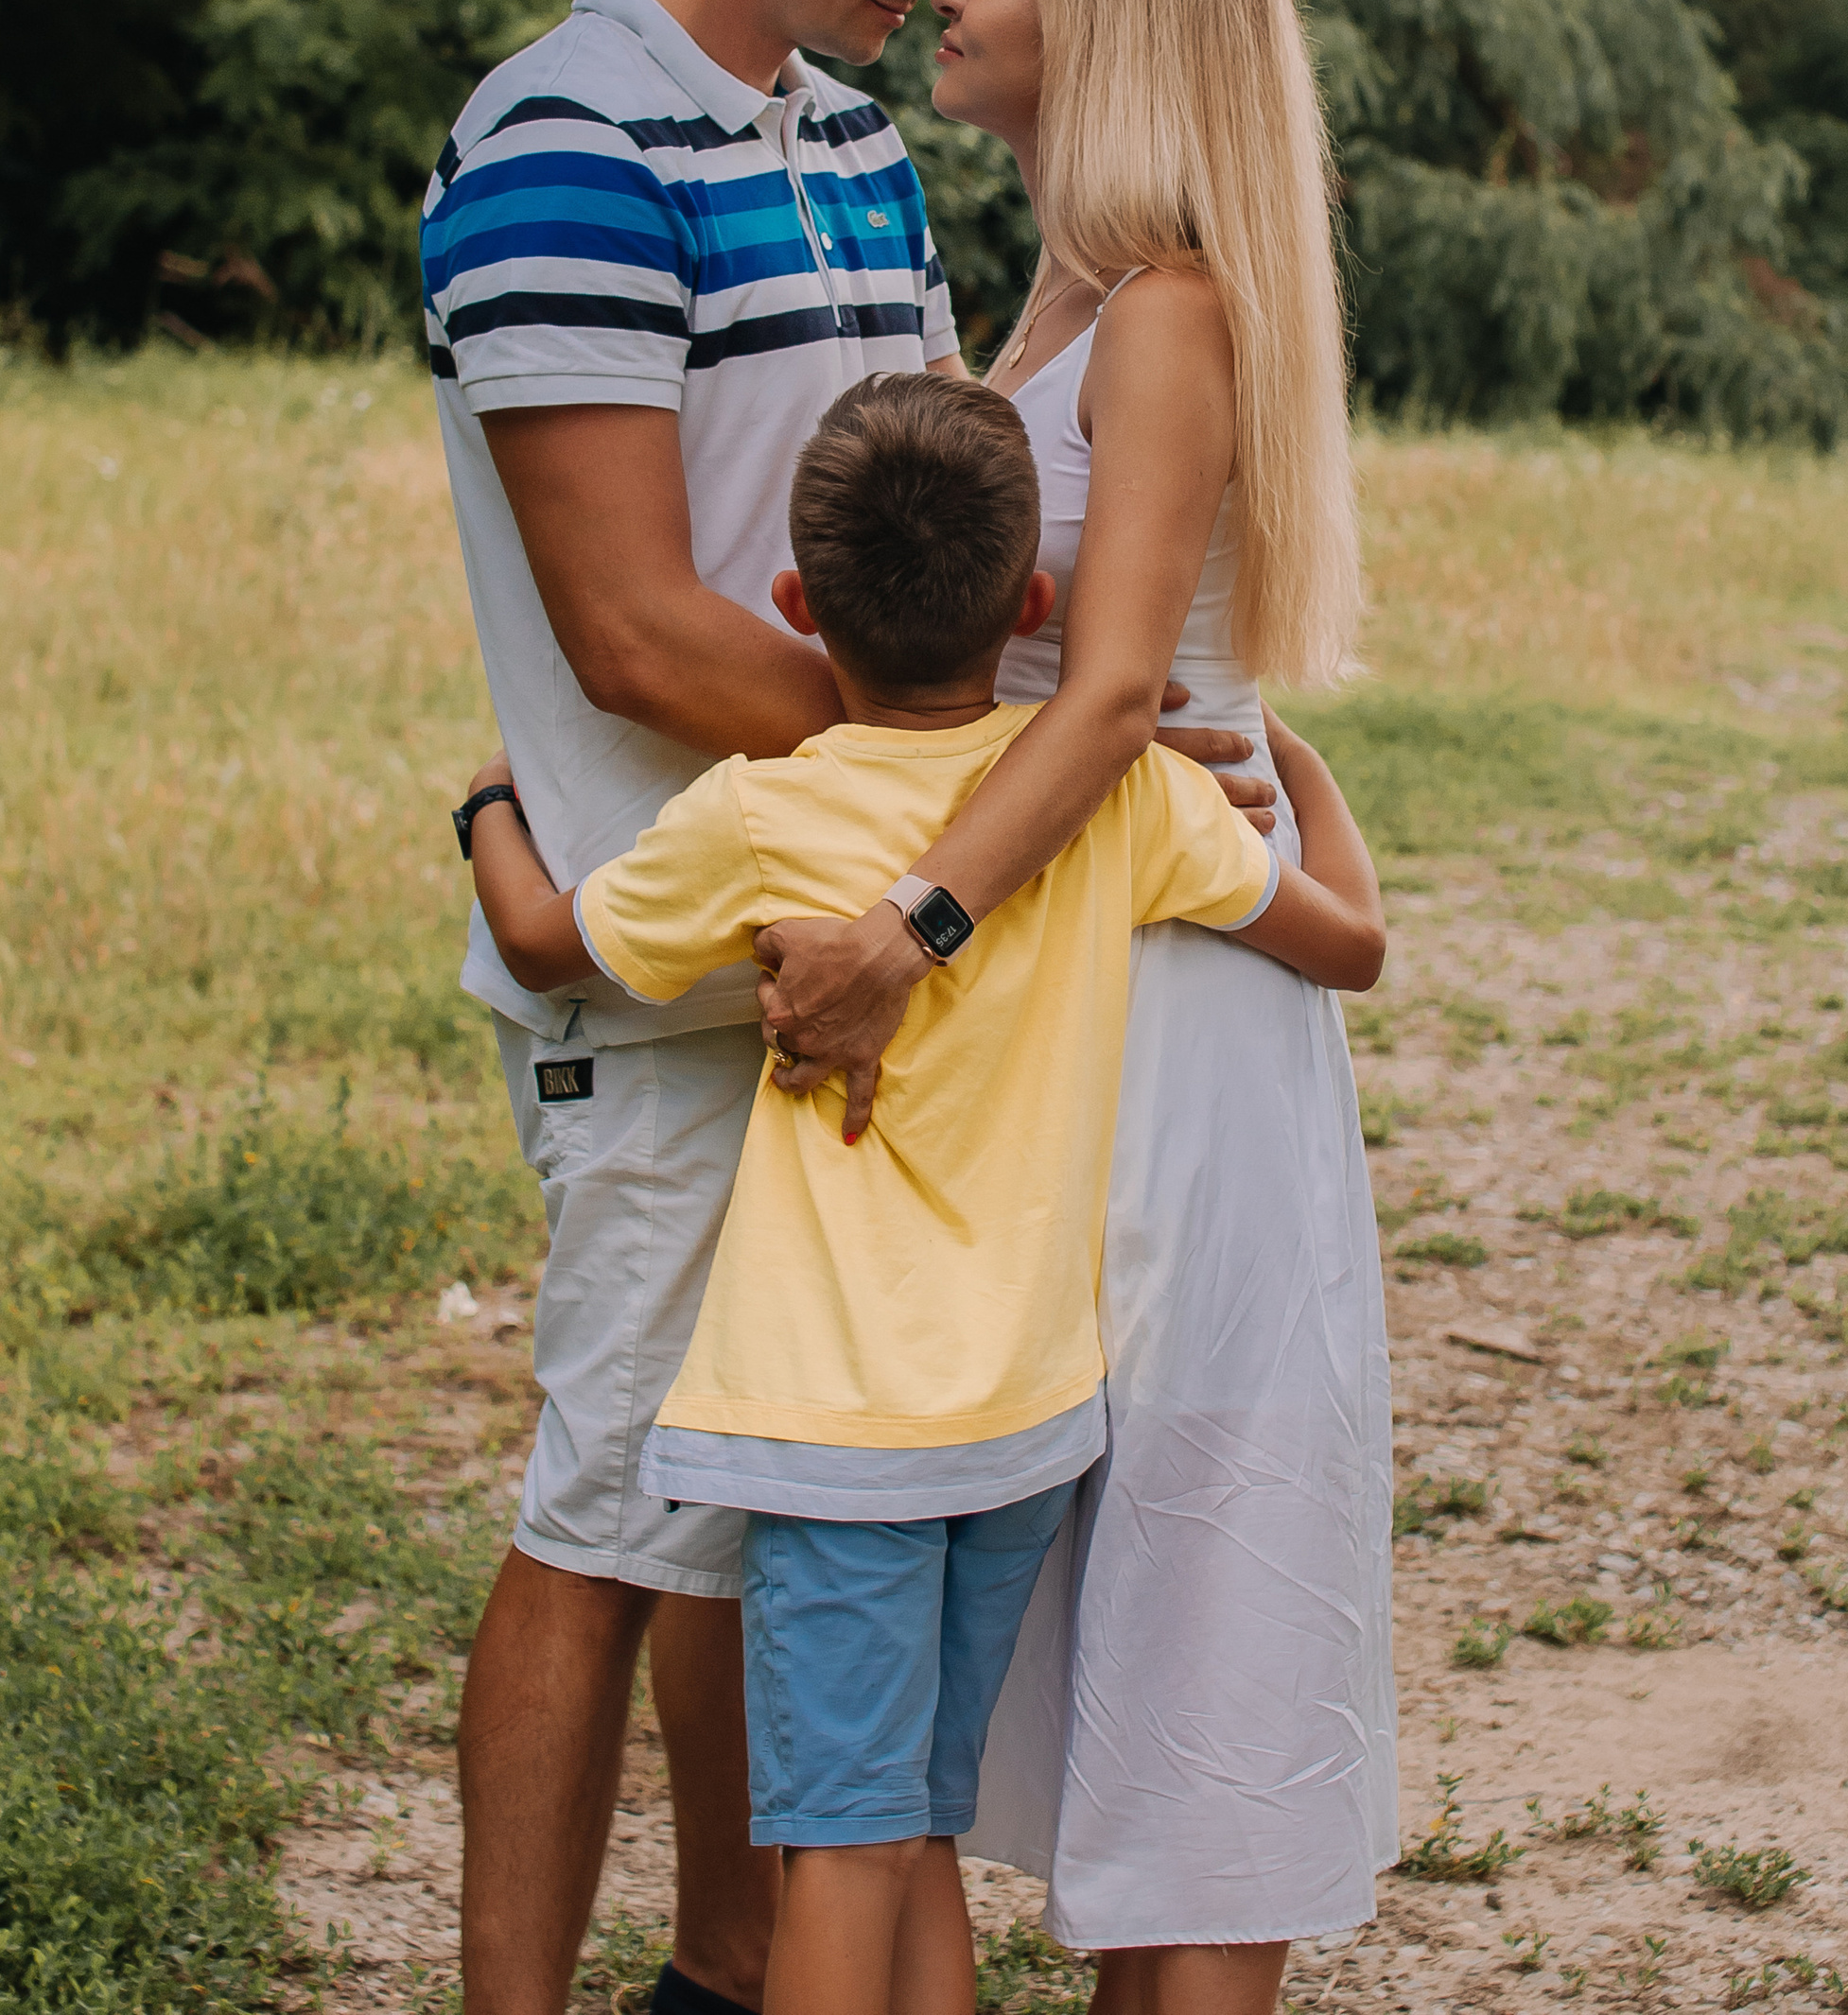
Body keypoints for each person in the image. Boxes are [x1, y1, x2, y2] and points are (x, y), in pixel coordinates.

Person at [456, 373, 1384, 2015]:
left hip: (830, 1430)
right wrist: (1290, 758)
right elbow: (1349, 946)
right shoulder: (1112, 798)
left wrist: (486, 810)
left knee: (845, 1845)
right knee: (922, 1826)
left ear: (799, 610)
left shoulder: (760, 815)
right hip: (1025, 1418)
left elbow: (547, 946)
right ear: (1032, 604)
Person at [419, 0, 1020, 2015]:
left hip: (857, 942)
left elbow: (936, 516)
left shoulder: (855, 144)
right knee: (601, 1517)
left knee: (766, 1522)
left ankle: (731, 1980)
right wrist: (943, 761)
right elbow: (635, 630)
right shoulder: (558, 135)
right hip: (666, 966)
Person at [756, 0, 1398, 2015]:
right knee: (1045, 1618)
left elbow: (1121, 685)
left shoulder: (1170, 309)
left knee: (1195, 1636)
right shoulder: (1051, 302)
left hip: (1163, 1015)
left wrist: (903, 923)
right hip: (1068, 992)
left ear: (1107, 20)